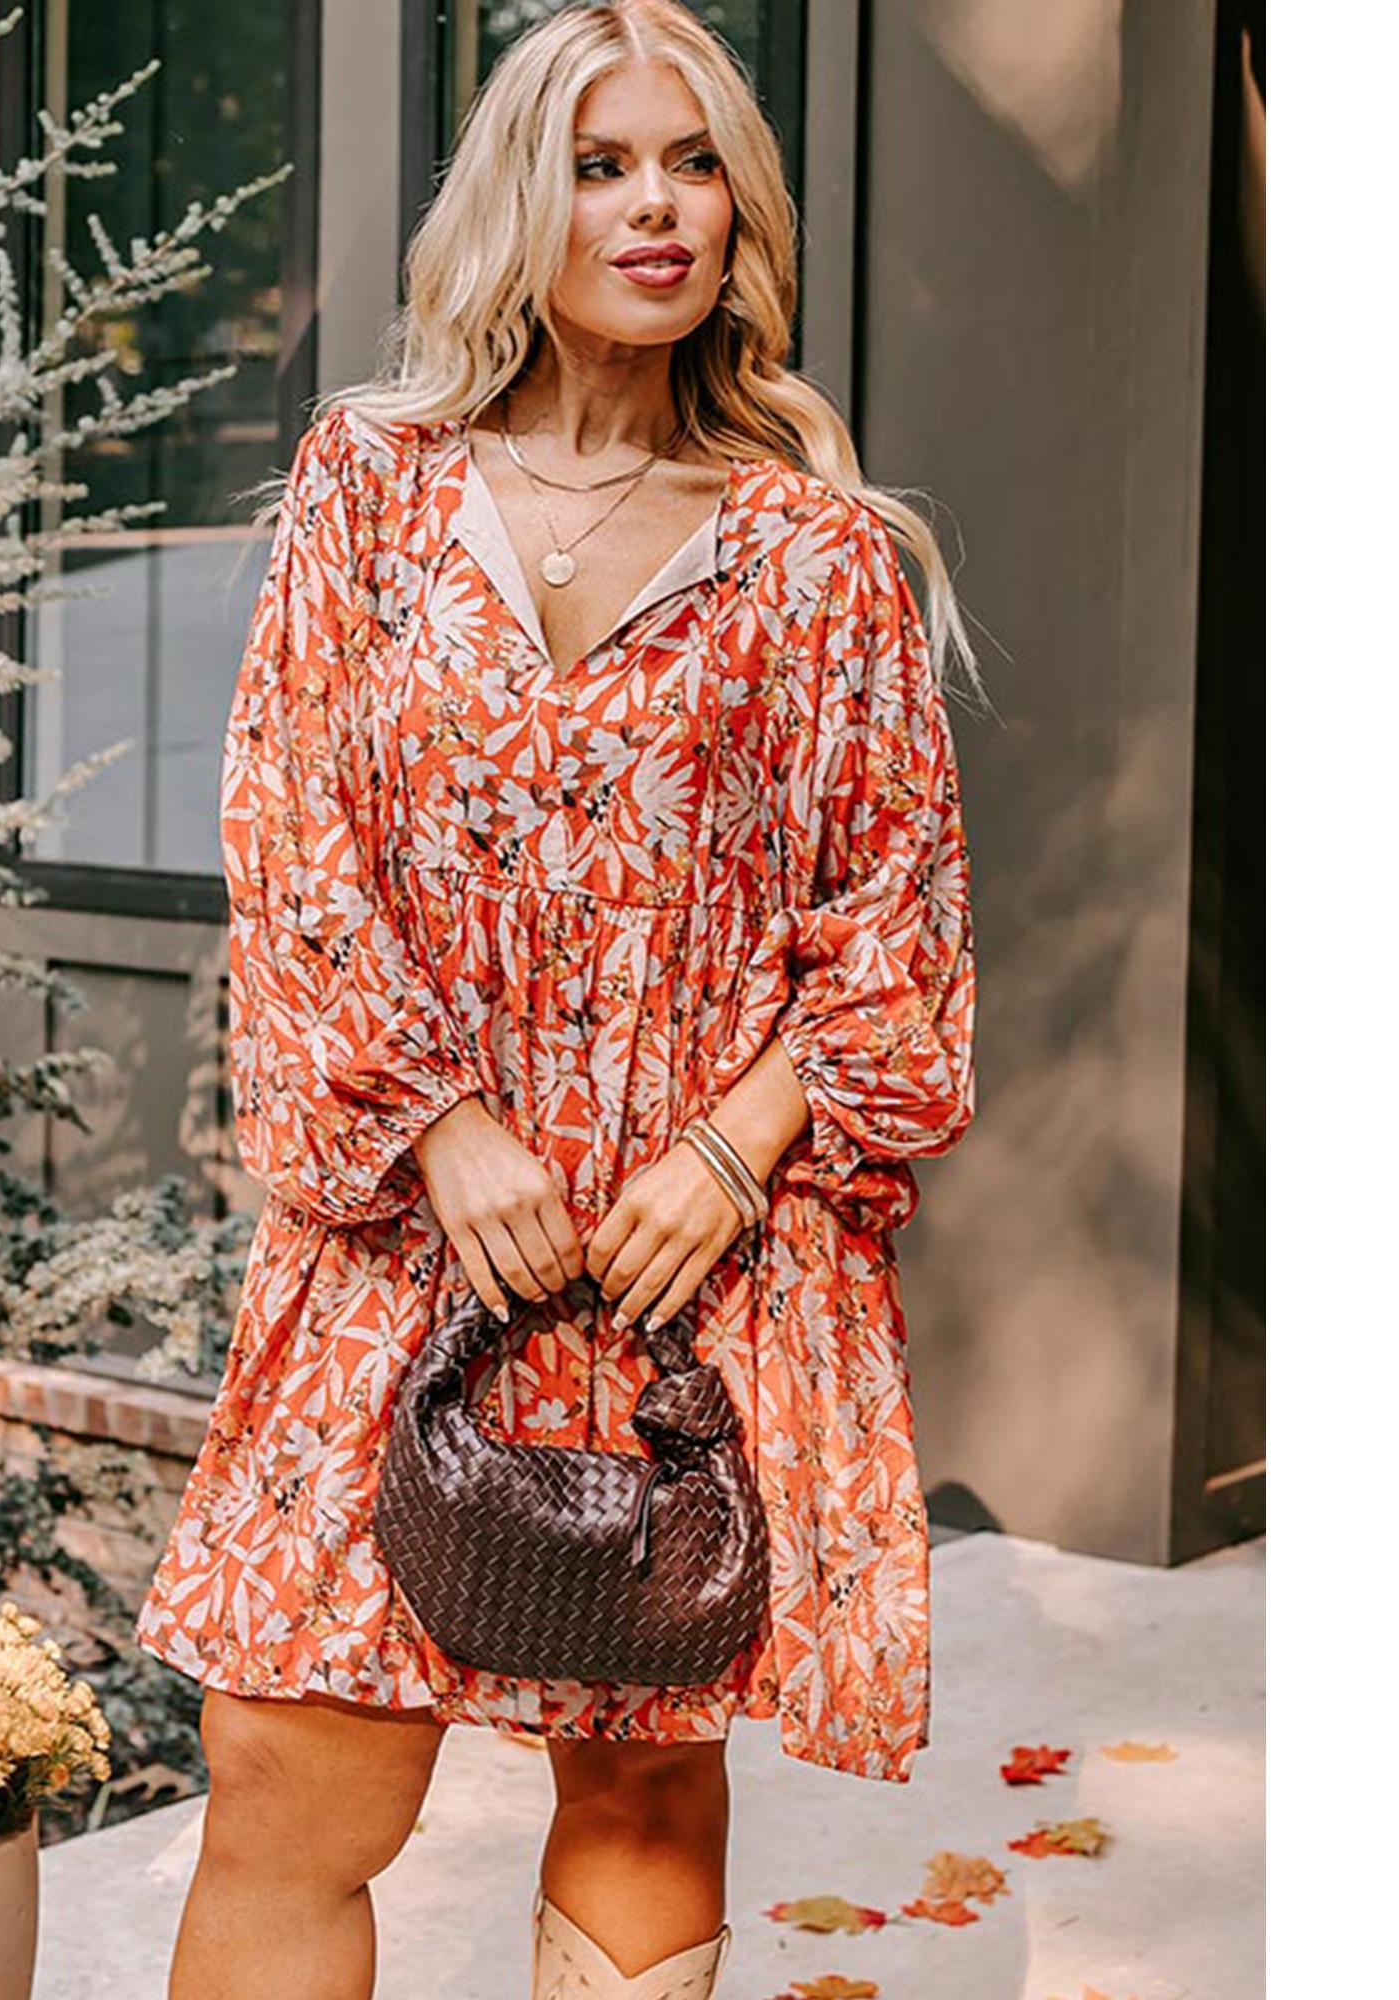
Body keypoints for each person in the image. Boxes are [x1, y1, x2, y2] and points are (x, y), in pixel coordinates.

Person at [135, 4, 985, 1995]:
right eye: (603, 165)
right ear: (524, 198)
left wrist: (731, 1149)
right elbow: (293, 841)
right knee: (286, 1765)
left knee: (641, 1778)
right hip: (402, 1230)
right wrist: (437, 1122)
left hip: (696, 1260)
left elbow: (896, 920)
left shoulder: (815, 553)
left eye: (693, 165)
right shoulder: (370, 485)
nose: (655, 207)